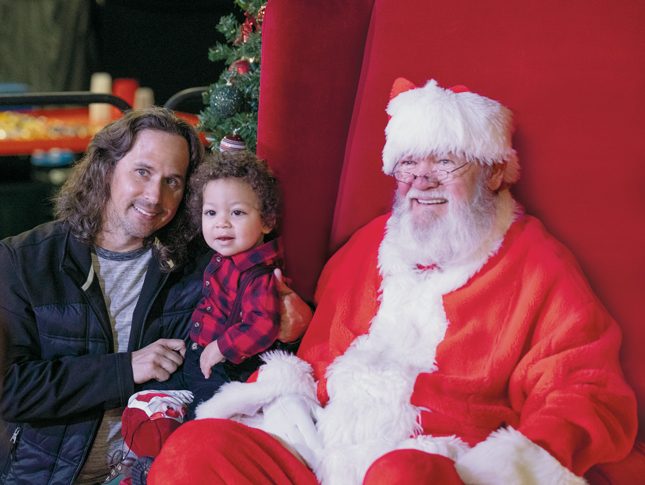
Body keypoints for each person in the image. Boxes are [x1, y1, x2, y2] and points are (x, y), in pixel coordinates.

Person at [148, 79, 638, 485]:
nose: (422, 180)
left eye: (445, 161)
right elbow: (319, 359)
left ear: (492, 173)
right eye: (409, 163)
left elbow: (586, 389)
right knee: (196, 449)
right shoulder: (369, 245)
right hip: (323, 448)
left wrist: (513, 465)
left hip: (443, 457)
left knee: (400, 476)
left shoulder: (537, 263)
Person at [0, 107, 312, 485]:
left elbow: (247, 344)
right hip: (51, 475)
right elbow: (10, 389)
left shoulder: (205, 262)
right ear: (106, 168)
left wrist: (294, 325)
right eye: (143, 172)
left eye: (173, 181)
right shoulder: (24, 260)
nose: (154, 196)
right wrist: (125, 368)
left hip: (163, 470)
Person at [183, 150, 285, 419]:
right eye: (211, 212)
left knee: (205, 415)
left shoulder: (259, 274)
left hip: (225, 365)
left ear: (267, 221)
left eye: (237, 212)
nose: (221, 223)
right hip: (199, 353)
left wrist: (221, 347)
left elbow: (263, 325)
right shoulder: (225, 257)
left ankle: (186, 450)